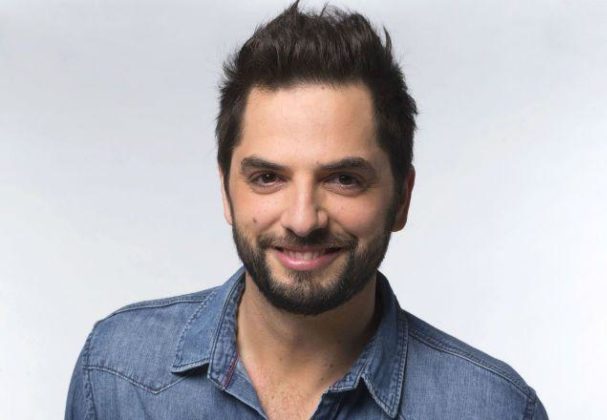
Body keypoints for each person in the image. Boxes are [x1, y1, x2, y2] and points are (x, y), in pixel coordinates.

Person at [65, 2, 547, 419]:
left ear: (401, 198)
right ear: (226, 192)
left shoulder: (494, 408)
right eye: (267, 178)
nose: (302, 219)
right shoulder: (115, 374)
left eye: (343, 179)